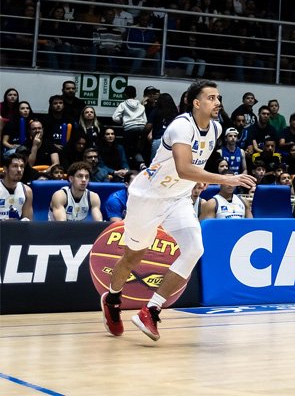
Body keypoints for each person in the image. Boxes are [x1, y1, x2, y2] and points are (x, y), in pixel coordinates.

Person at [101, 80, 256, 341]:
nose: (218, 102)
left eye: (218, 98)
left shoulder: (216, 128)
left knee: (195, 248)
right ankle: (113, 300)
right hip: (147, 197)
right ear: (197, 103)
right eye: (211, 98)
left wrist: (200, 178)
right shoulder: (181, 126)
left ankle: (150, 310)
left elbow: (193, 168)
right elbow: (184, 167)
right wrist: (226, 179)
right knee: (133, 256)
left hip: (178, 198)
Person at [0, 152, 33, 220]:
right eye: (15, 166)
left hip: (17, 229)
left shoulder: (27, 191)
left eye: (22, 166)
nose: (19, 170)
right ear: (5, 169)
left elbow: (28, 221)